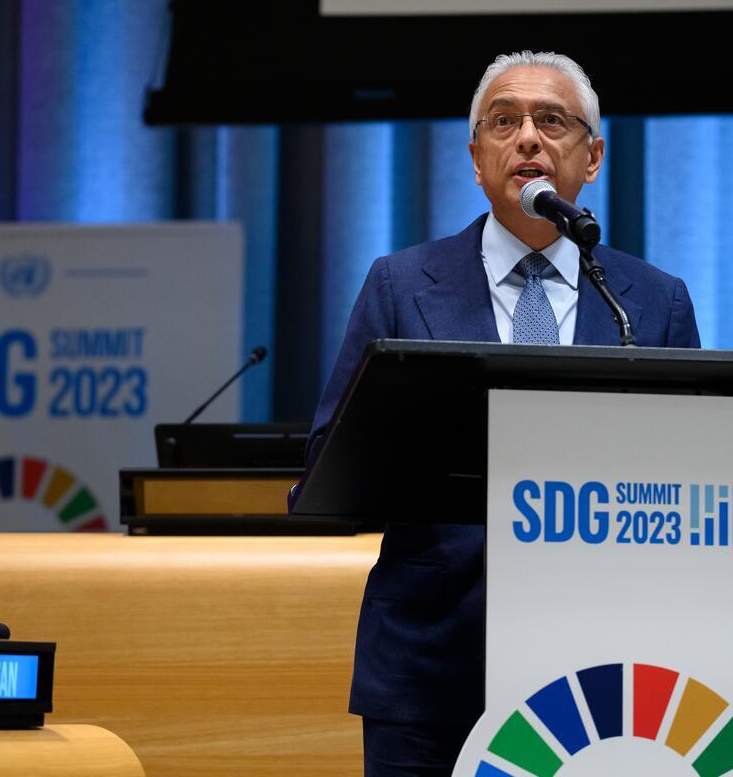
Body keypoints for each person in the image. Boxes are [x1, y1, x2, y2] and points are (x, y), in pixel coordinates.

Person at [292, 51, 701, 776]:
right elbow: (331, 460)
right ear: (476, 157)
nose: (528, 138)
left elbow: (694, 477)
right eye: (504, 122)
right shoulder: (400, 284)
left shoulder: (651, 300)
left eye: (553, 121)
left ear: (593, 158)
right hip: (431, 666)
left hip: (603, 674)